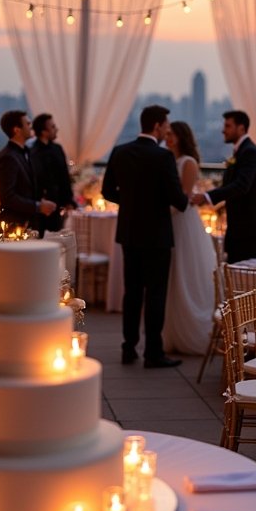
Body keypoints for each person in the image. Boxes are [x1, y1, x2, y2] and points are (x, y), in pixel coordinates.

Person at [102, 105, 188, 368]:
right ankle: (153, 352)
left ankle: (128, 349)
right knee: (155, 293)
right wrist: (183, 200)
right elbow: (177, 200)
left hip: (129, 232)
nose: (166, 130)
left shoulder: (120, 151)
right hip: (157, 235)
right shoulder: (163, 157)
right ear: (157, 126)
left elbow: (107, 191)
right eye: (165, 126)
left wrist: (129, 202)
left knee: (132, 293)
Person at [162, 121, 216, 355]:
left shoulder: (188, 162)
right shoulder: (167, 158)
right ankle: (170, 332)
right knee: (172, 274)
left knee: (185, 272)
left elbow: (183, 197)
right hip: (170, 220)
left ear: (181, 136)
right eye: (167, 133)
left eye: (172, 134)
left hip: (183, 221)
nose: (168, 137)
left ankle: (191, 330)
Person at [192, 109, 256, 263]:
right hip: (239, 227)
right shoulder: (241, 152)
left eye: (228, 126)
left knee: (244, 277)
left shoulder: (250, 153)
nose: (223, 130)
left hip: (248, 228)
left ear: (241, 128)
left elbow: (241, 185)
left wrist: (208, 196)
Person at [0, 110, 56, 234]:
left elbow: (27, 187)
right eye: (27, 124)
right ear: (17, 130)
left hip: (30, 222)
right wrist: (38, 206)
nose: (31, 126)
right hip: (16, 225)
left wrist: (40, 202)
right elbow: (8, 197)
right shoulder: (8, 157)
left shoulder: (25, 151)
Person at [29, 113, 76, 234]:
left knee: (58, 234)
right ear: (44, 132)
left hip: (58, 203)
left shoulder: (57, 148)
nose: (56, 129)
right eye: (53, 127)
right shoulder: (33, 152)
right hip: (42, 205)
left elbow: (64, 176)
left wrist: (69, 200)